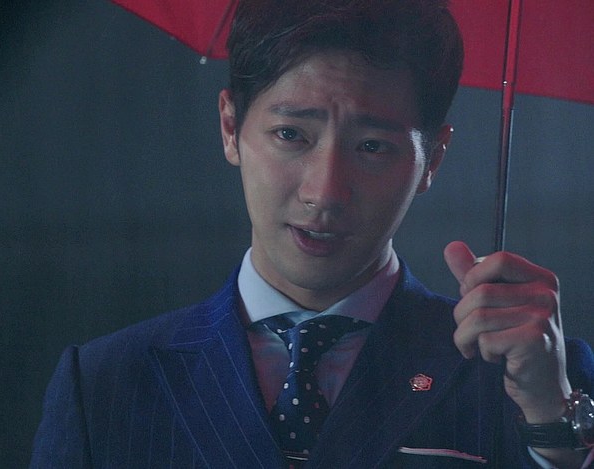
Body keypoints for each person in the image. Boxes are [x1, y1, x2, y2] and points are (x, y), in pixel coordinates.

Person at [30, 0, 594, 467]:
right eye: (290, 135)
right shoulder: (105, 384)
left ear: (433, 159)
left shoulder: (530, 376)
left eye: (372, 147)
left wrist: (551, 422)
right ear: (230, 127)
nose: (324, 192)